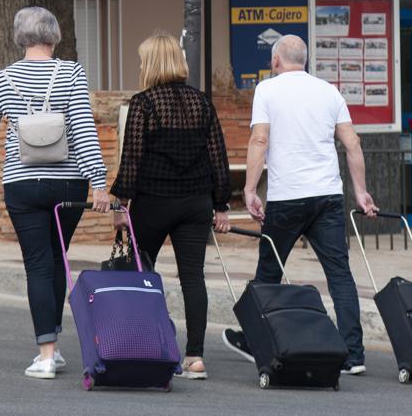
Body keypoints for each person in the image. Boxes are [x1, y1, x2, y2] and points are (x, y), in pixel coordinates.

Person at [0, 7, 109, 380]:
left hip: (22, 183)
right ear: (55, 35)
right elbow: (82, 128)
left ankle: (46, 353)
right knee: (58, 258)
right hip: (68, 182)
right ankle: (54, 348)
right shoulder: (71, 72)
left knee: (38, 263)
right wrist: (99, 181)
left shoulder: (3, 79)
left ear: (19, 36)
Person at [223, 34, 378, 375]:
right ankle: (354, 354)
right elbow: (352, 144)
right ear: (304, 61)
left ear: (276, 60)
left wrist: (249, 189)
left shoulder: (267, 90)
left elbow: (259, 139)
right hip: (327, 196)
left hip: (288, 196)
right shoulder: (329, 91)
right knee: (339, 274)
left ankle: (252, 340)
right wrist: (361, 192)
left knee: (268, 272)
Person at [110, 34, 231, 380]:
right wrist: (220, 205)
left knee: (139, 274)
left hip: (152, 202)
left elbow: (131, 159)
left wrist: (121, 204)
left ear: (150, 64)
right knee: (193, 278)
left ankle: (144, 344)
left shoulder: (144, 103)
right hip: (195, 204)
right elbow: (218, 158)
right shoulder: (202, 103)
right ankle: (195, 358)